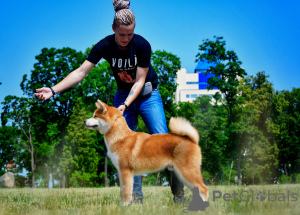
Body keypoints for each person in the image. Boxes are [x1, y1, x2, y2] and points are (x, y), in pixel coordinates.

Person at [35, 0, 184, 204]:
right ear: (113, 28)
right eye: (121, 34)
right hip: (123, 95)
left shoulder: (142, 45)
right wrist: (53, 90)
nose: (125, 39)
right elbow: (80, 73)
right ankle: (135, 201)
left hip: (148, 95)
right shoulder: (104, 45)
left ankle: (179, 197)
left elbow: (140, 81)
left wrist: (126, 105)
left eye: (129, 34)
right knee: (125, 149)